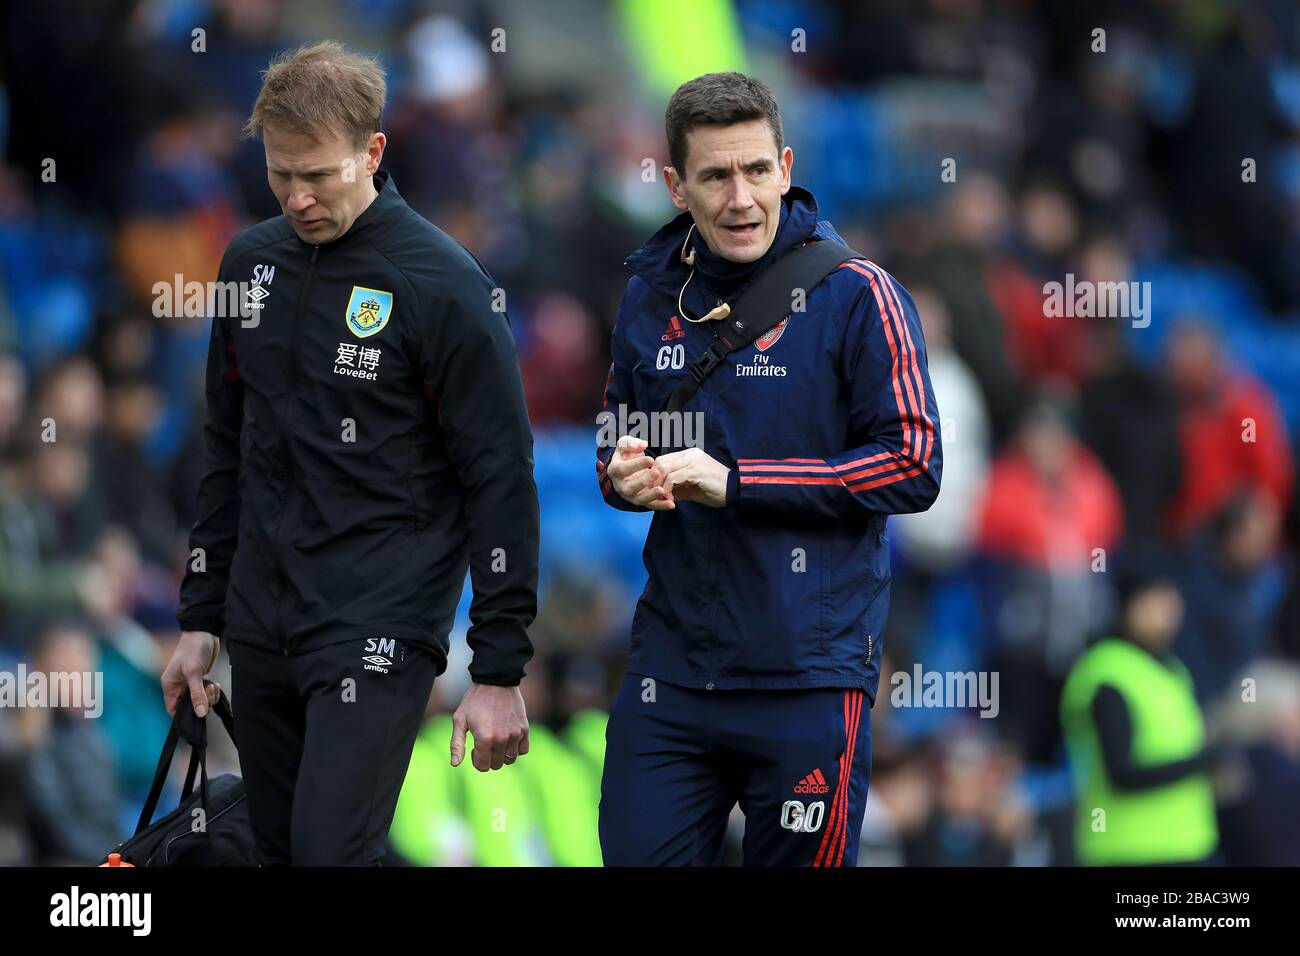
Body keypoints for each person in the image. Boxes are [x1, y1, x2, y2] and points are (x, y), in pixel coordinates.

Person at [162, 42, 539, 866]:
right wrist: (200, 617)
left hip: (379, 624)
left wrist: (501, 665)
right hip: (262, 623)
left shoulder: (442, 284)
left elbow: (500, 476)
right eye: (280, 175)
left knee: (330, 852)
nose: (298, 197)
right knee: (275, 853)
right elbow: (227, 451)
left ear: (372, 153)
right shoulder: (248, 266)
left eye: (319, 176)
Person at [596, 72, 942, 866]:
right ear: (676, 185)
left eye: (756, 170)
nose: (741, 196)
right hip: (672, 677)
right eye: (716, 176)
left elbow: (915, 464)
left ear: (786, 166)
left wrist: (739, 482)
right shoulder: (651, 298)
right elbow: (620, 439)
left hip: (807, 680)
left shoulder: (861, 296)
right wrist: (622, 477)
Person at [1060, 550, 1223, 866]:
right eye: (1156, 602)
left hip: (1188, 846)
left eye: (1171, 603)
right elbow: (1122, 773)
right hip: (1129, 851)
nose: (1168, 613)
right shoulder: (1107, 672)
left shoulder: (1172, 668)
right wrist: (1203, 761)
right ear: (1129, 605)